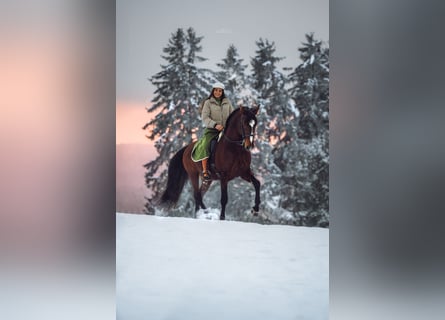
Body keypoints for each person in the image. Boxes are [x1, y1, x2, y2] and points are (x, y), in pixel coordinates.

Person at [192, 82, 234, 180]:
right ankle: (205, 170)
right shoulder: (208, 102)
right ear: (213, 91)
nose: (218, 92)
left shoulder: (227, 102)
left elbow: (232, 115)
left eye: (220, 91)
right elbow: (205, 117)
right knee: (206, 144)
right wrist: (215, 125)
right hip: (212, 130)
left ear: (222, 92)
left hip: (226, 130)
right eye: (216, 90)